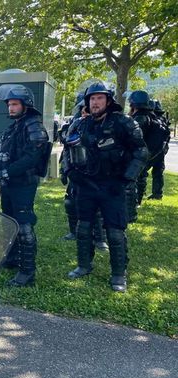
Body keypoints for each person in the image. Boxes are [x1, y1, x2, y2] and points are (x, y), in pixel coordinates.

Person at [64, 82, 148, 292]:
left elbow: (141, 152)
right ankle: (84, 265)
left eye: (100, 98)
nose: (95, 102)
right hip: (86, 185)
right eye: (92, 99)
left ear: (108, 100)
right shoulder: (81, 124)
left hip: (113, 186)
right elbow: (67, 150)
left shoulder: (124, 123)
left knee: (115, 233)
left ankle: (119, 274)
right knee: (83, 228)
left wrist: (126, 179)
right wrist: (69, 172)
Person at [0, 84, 51, 287]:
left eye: (14, 104)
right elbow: (10, 154)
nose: (10, 108)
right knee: (9, 222)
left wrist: (4, 172)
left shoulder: (33, 125)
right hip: (10, 183)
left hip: (23, 183)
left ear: (25, 104)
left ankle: (27, 272)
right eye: (9, 105)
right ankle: (12, 259)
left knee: (23, 225)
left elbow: (31, 158)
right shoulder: (16, 125)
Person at [59, 94, 108, 251]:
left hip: (99, 172)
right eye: (83, 108)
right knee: (71, 202)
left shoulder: (107, 123)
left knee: (99, 207)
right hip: (78, 172)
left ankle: (100, 238)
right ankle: (73, 231)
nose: (85, 110)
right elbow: (66, 147)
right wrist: (65, 170)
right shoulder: (76, 123)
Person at [129, 93, 171, 202]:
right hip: (158, 151)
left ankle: (136, 200)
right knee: (154, 174)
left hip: (145, 152)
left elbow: (134, 137)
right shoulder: (154, 118)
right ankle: (156, 194)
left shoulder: (141, 118)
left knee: (138, 176)